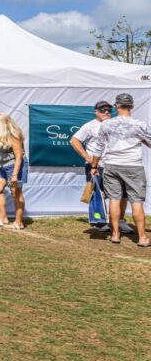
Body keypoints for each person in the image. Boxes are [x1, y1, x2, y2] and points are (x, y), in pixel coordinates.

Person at [90, 93, 151, 247]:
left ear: (116, 106)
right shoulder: (140, 125)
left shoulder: (106, 124)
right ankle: (142, 238)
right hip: (133, 166)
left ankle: (115, 235)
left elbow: (98, 148)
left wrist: (94, 166)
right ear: (132, 106)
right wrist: (142, 140)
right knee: (136, 201)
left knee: (114, 199)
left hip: (112, 165)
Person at [70, 101, 131, 233]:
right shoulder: (90, 126)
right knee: (98, 194)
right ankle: (99, 222)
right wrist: (87, 157)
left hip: (116, 164)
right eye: (103, 110)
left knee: (122, 195)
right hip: (97, 166)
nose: (107, 112)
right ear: (96, 112)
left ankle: (120, 221)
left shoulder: (116, 124)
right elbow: (74, 140)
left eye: (109, 110)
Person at [0, 113, 28, 230]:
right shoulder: (2, 136)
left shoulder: (14, 135)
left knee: (16, 193)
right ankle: (3, 218)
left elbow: (19, 157)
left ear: (1, 124)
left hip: (14, 167)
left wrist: (14, 175)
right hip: (3, 167)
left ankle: (19, 222)